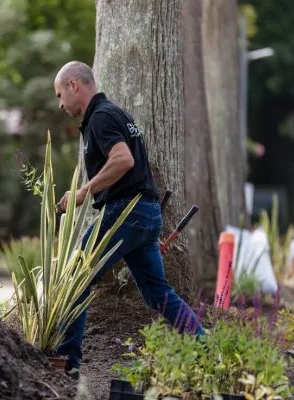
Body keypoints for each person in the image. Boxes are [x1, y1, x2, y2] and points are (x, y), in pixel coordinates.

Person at [53, 61, 205, 379]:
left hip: (126, 211)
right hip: (147, 214)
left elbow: (123, 159)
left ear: (73, 84)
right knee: (157, 292)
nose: (60, 104)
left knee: (75, 277)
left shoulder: (101, 117)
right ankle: (205, 349)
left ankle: (67, 361)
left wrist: (83, 192)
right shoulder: (118, 114)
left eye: (59, 95)